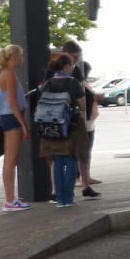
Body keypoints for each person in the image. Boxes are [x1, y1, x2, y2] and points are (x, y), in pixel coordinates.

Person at [38, 52, 88, 208]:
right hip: (71, 126)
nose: (73, 68)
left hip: (52, 128)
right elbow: (83, 106)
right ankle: (69, 198)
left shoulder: (48, 83)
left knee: (58, 161)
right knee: (72, 159)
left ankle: (60, 200)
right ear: (66, 66)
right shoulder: (73, 83)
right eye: (72, 65)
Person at [0, 44, 31, 211]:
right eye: (20, 56)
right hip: (12, 118)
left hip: (5, 117)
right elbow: (12, 102)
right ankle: (9, 200)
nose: (22, 59)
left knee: (9, 160)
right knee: (11, 160)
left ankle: (10, 199)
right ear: (13, 57)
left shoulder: (3, 73)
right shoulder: (9, 74)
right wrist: (24, 124)